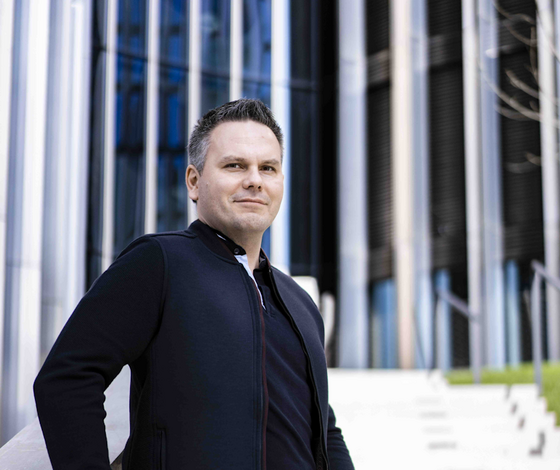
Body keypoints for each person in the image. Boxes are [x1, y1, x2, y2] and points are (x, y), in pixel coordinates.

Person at [34, 99, 354, 470]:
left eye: (268, 168)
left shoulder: (300, 303)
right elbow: (68, 379)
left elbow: (324, 430)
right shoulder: (159, 263)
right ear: (194, 181)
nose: (254, 180)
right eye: (235, 165)